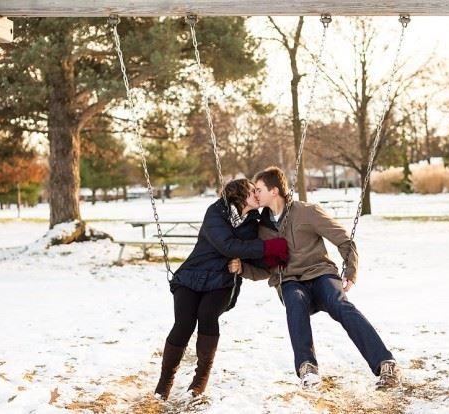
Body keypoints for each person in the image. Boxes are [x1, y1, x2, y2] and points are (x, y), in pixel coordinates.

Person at [228, 167, 401, 390]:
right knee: (295, 303)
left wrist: (350, 271)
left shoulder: (307, 212)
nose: (255, 194)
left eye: (259, 189)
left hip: (321, 274)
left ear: (274, 191)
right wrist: (243, 269)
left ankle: (385, 363)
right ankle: (307, 368)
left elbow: (344, 240)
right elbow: (268, 270)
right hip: (289, 280)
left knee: (340, 305)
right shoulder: (262, 228)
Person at [154, 178, 289, 400]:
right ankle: (165, 381)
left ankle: (200, 380)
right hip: (192, 275)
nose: (257, 194)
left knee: (207, 315)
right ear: (239, 195)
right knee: (184, 323)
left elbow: (256, 254)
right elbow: (228, 246)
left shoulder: (256, 221)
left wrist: (265, 255)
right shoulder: (215, 212)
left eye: (258, 191)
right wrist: (267, 247)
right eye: (251, 190)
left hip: (222, 280)